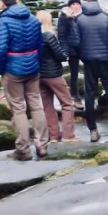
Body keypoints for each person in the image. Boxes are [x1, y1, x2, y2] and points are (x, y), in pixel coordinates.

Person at [0, 0, 49, 160]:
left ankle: (23, 149)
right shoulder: (33, 18)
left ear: (2, 2)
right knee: (36, 105)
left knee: (18, 109)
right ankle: (42, 145)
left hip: (13, 69)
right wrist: (37, 63)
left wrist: (0, 69)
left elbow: (0, 49)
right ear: (17, 0)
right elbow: (40, 45)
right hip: (32, 66)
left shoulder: (4, 20)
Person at [74, 0, 108, 143]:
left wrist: (82, 55)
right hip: (106, 61)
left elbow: (76, 42)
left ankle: (93, 131)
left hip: (88, 61)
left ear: (85, 2)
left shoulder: (78, 19)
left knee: (89, 95)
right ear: (96, 0)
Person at [36, 10, 77, 142]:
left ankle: (53, 135)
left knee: (47, 106)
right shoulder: (49, 36)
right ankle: (68, 135)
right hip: (53, 74)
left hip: (39, 75)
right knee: (67, 103)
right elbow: (60, 56)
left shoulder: (32, 36)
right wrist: (65, 50)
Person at [57, 0, 83, 110]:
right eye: (73, 4)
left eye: (78, 4)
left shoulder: (83, 16)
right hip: (72, 50)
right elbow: (61, 35)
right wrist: (65, 51)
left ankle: (88, 95)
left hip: (84, 48)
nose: (76, 6)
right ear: (69, 6)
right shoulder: (64, 17)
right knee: (74, 74)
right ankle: (76, 97)